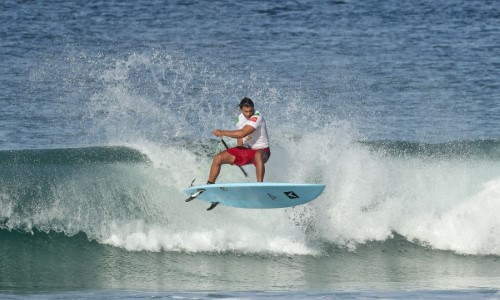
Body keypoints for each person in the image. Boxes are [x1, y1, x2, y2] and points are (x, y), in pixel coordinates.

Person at [208, 97, 271, 183]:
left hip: (263, 152)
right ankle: (209, 185)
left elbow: (242, 133)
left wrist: (222, 132)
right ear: (241, 109)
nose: (249, 114)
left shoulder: (257, 117)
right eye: (246, 111)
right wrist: (239, 152)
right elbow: (240, 137)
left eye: (251, 111)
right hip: (247, 150)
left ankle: (259, 185)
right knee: (218, 158)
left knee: (258, 154)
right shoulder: (240, 118)